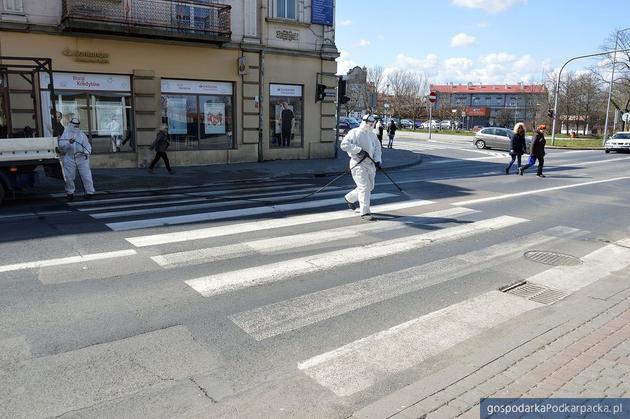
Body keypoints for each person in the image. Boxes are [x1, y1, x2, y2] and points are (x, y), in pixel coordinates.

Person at [340, 114, 382, 221]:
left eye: (372, 124)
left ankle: (349, 198)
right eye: (368, 123)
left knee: (370, 187)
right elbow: (344, 145)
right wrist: (358, 150)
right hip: (358, 164)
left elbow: (378, 148)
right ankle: (365, 212)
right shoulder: (354, 132)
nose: (370, 125)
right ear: (364, 122)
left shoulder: (373, 135)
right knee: (364, 187)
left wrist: (377, 160)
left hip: (370, 165)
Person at [58, 118, 95, 200]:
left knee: (86, 175)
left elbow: (87, 146)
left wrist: (87, 153)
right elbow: (61, 145)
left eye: (77, 125)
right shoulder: (66, 134)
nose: (76, 127)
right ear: (70, 124)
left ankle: (90, 192)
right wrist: (69, 143)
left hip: (82, 157)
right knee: (69, 176)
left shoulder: (81, 134)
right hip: (70, 157)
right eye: (74, 125)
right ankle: (70, 192)